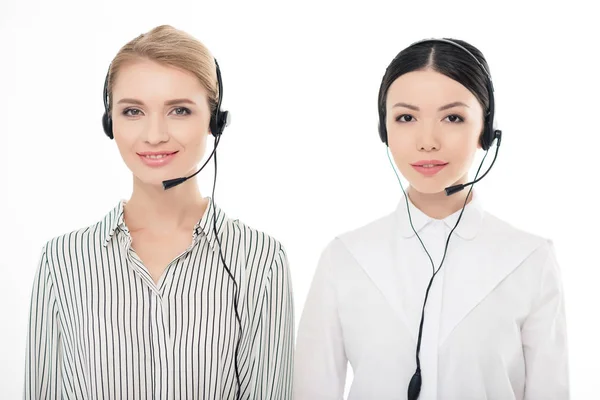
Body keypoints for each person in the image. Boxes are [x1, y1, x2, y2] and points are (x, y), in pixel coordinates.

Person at [24, 25, 294, 400]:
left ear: (216, 121)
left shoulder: (261, 259)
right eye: (133, 111)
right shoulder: (62, 260)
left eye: (179, 110)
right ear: (109, 122)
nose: (154, 135)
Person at [293, 38, 569, 400]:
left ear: (486, 131)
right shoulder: (344, 258)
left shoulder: (530, 259)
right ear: (384, 130)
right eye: (406, 117)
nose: (427, 141)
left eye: (453, 117)